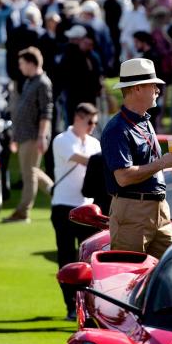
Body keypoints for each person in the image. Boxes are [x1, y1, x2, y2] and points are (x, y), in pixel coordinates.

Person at [101, 58, 172, 257]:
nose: (157, 90)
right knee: (130, 275)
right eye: (153, 85)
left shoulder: (144, 121)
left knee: (170, 272)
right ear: (137, 88)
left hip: (158, 209)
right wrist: (162, 163)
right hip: (132, 210)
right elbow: (123, 177)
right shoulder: (117, 129)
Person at [50, 103, 102, 320]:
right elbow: (83, 160)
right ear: (78, 118)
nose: (92, 127)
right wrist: (103, 161)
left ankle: (89, 305)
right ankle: (70, 305)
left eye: (95, 123)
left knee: (89, 260)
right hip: (63, 205)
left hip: (87, 208)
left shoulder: (94, 143)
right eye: (90, 122)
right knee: (66, 257)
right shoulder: (62, 140)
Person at [4, 47, 55, 223]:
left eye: (22, 63)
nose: (20, 67)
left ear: (31, 63)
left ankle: (23, 212)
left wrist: (41, 136)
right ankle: (58, 193)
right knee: (33, 172)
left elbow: (46, 112)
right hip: (25, 135)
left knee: (29, 174)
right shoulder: (29, 82)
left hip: (34, 136)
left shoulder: (43, 83)